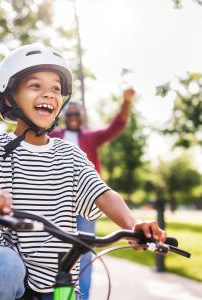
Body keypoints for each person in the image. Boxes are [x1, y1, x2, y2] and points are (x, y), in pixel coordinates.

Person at [0, 44, 166, 300]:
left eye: (55, 88)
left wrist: (134, 225)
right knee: (3, 264)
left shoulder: (71, 154)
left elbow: (103, 194)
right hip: (7, 256)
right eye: (35, 86)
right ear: (10, 97)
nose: (49, 94)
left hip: (59, 273)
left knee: (69, 292)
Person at [49, 89, 134, 299]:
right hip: (58, 199)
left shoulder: (90, 137)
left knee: (85, 253)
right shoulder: (53, 135)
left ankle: (81, 297)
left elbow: (116, 127)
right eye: (69, 114)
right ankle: (52, 294)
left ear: (82, 117)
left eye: (77, 114)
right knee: (55, 250)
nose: (73, 118)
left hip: (86, 200)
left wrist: (126, 102)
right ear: (64, 116)